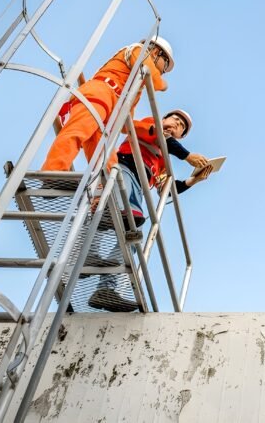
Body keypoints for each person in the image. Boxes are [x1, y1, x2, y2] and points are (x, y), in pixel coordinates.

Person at [87, 109, 213, 312]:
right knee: (108, 212)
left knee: (133, 234)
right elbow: (159, 136)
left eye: (182, 126)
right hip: (121, 170)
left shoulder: (162, 159)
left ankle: (106, 289)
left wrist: (195, 180)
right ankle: (90, 254)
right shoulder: (150, 124)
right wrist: (188, 156)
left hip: (139, 185)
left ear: (180, 136)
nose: (177, 124)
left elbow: (168, 190)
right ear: (163, 119)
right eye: (175, 119)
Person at [42, 36, 175, 172]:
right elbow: (156, 81)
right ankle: (53, 170)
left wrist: (150, 129)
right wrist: (164, 85)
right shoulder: (138, 50)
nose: (163, 72)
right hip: (99, 93)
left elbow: (124, 123)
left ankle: (105, 191)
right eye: (165, 64)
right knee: (77, 132)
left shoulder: (136, 88)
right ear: (155, 52)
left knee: (107, 162)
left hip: (107, 113)